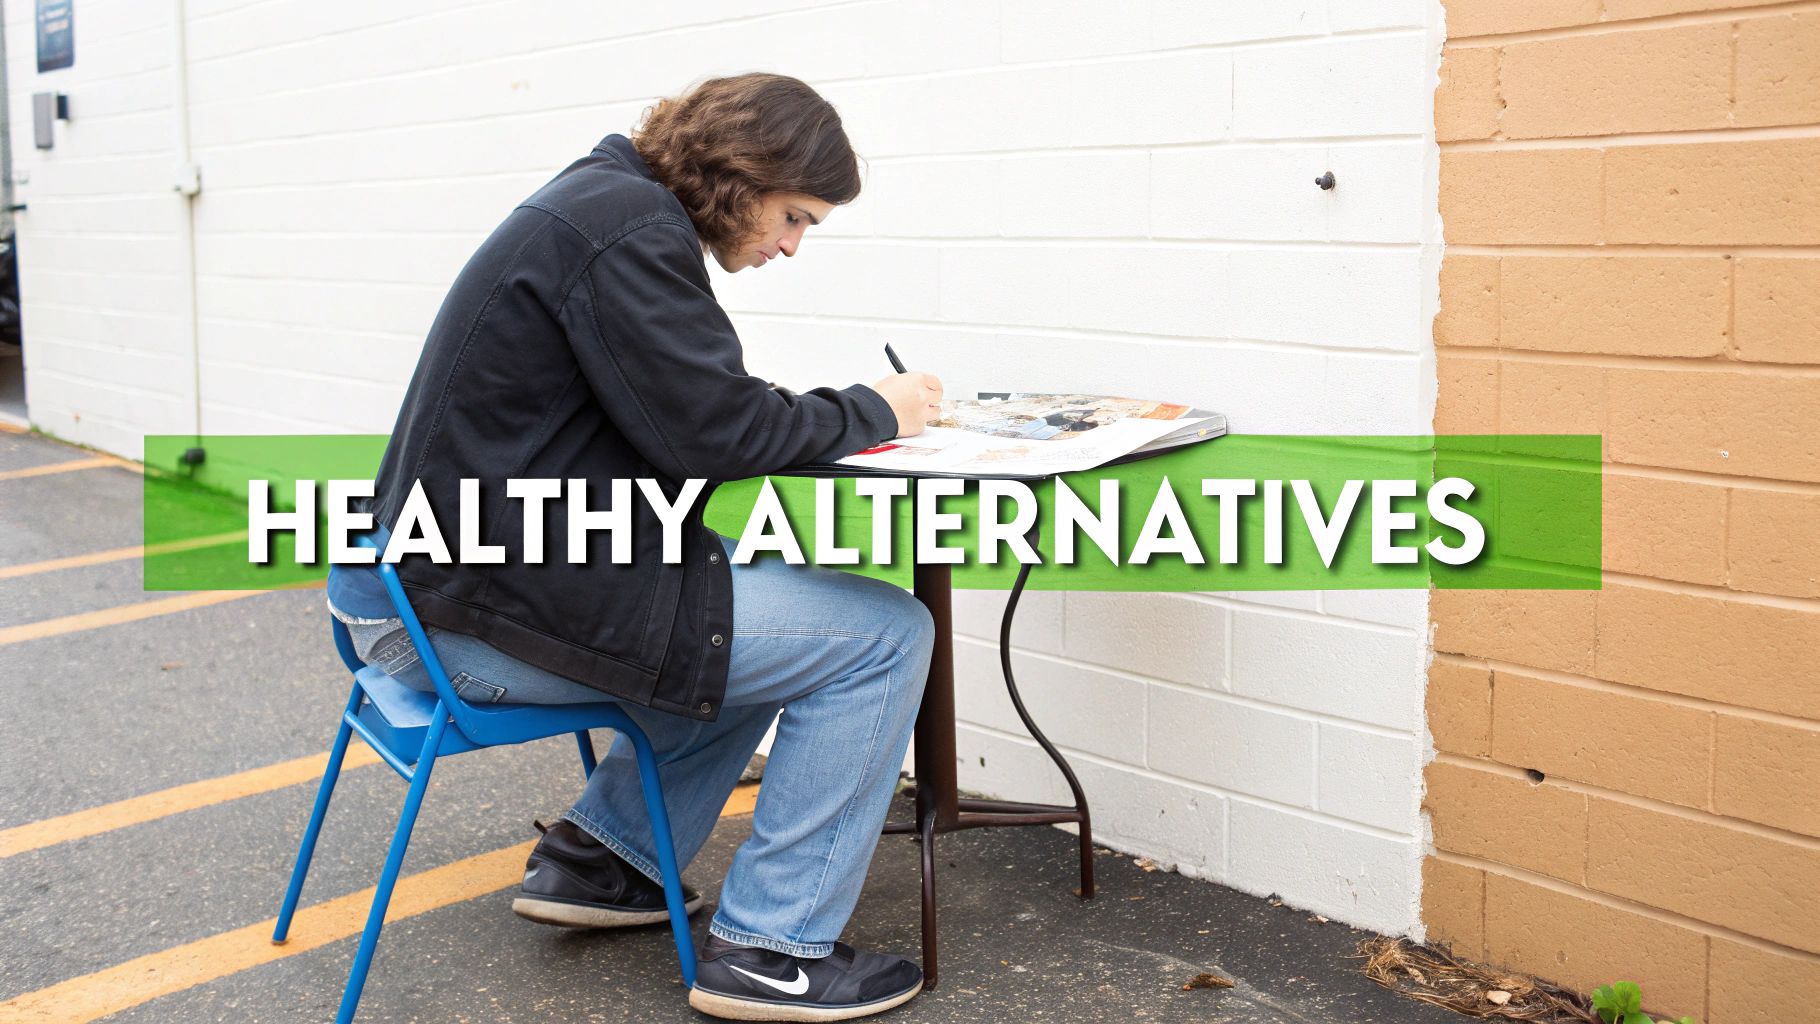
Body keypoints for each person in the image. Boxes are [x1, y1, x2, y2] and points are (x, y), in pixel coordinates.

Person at [325, 73, 941, 1021]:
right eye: (794, 216)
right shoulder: (630, 231)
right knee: (883, 633)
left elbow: (684, 409)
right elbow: (715, 433)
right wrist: (873, 410)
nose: (790, 244)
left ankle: (606, 861)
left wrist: (797, 417)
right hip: (452, 621)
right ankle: (773, 952)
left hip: (417, 586)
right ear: (744, 177)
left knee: (743, 600)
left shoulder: (603, 203)